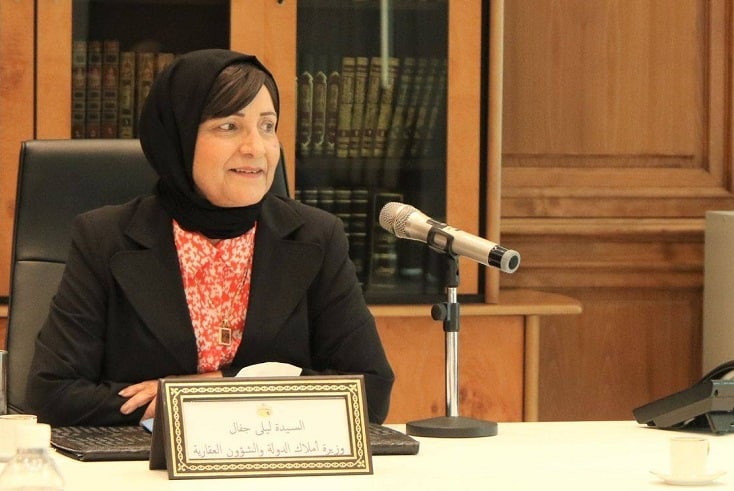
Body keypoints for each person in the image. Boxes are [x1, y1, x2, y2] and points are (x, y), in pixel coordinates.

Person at [26, 49, 394, 426]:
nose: (256, 148)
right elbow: (52, 393)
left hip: (274, 455)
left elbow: (371, 390)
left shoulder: (315, 236)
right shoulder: (106, 238)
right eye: (229, 127)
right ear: (179, 138)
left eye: (267, 126)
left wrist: (206, 390)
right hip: (144, 459)